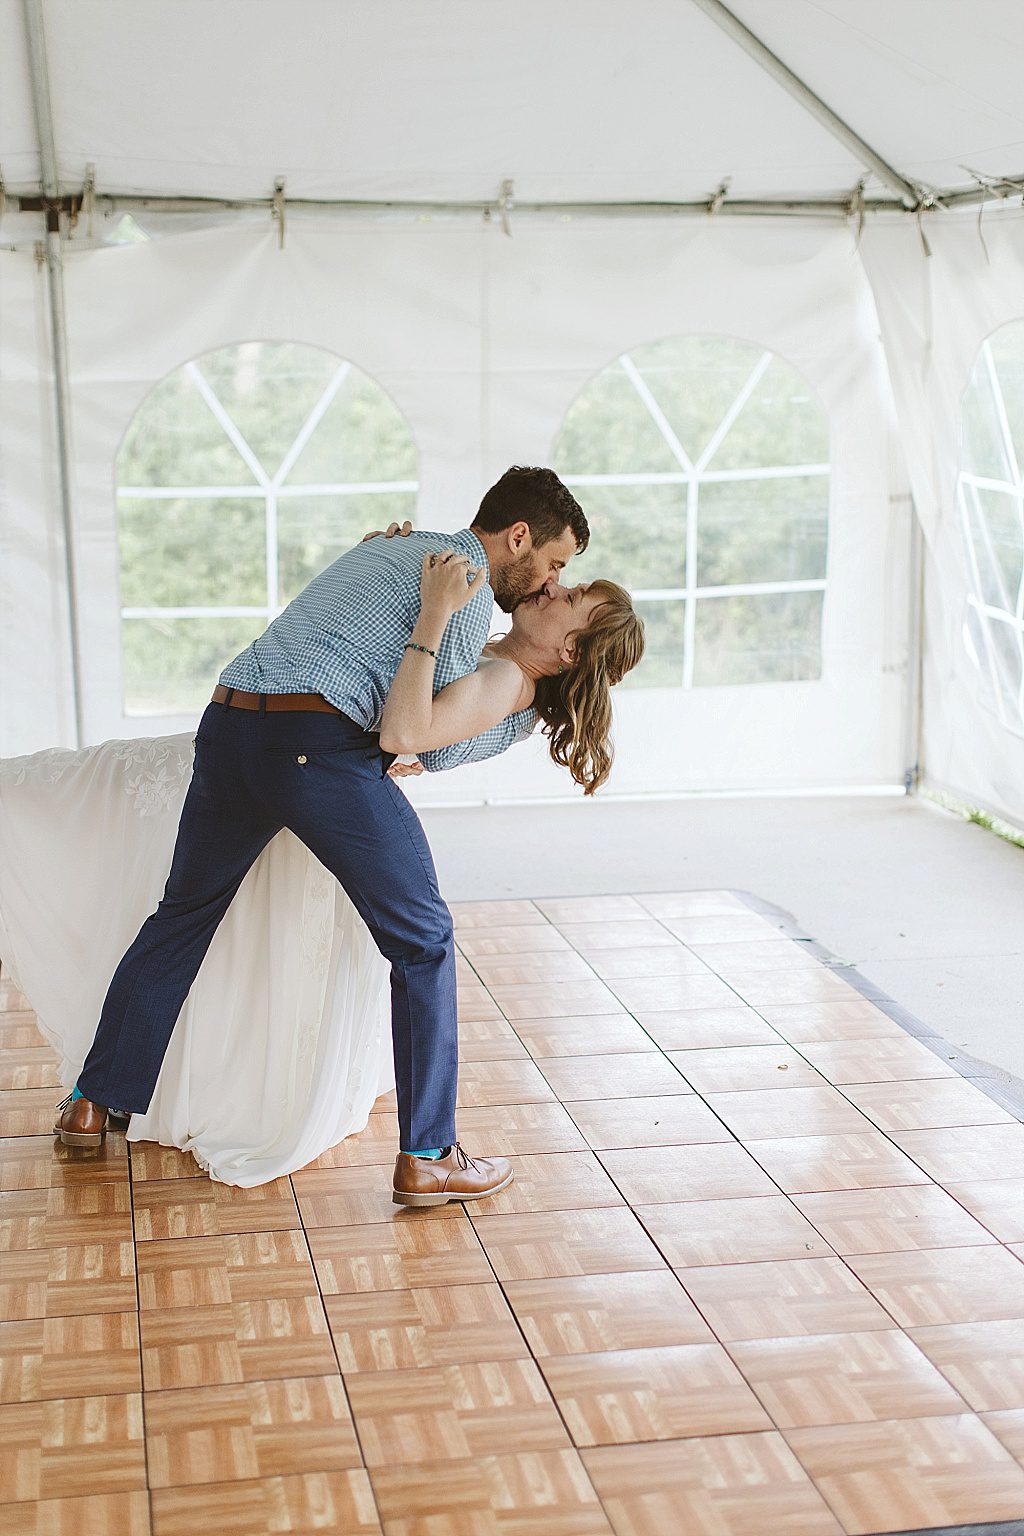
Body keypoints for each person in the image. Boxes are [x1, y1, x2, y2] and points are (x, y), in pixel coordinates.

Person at [0, 467, 642, 1192]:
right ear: (517, 537)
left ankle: (92, 1103)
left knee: (180, 918)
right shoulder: (458, 596)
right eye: (556, 565)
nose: (551, 583)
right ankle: (429, 1155)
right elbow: (410, 736)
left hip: (230, 722)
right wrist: (431, 622)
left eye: (565, 585)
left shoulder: (398, 555)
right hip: (309, 749)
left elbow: (418, 719)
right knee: (424, 940)